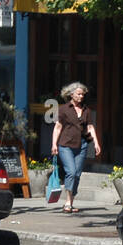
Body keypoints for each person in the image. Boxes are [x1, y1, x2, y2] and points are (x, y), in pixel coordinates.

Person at [51, 81, 101, 213]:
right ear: (71, 94)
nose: (81, 96)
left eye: (82, 94)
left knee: (77, 174)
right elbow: (57, 127)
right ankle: (67, 201)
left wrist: (96, 143)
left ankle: (71, 203)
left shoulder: (86, 110)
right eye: (79, 94)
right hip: (65, 145)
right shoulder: (63, 109)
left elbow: (90, 127)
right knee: (71, 172)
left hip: (82, 145)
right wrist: (54, 144)